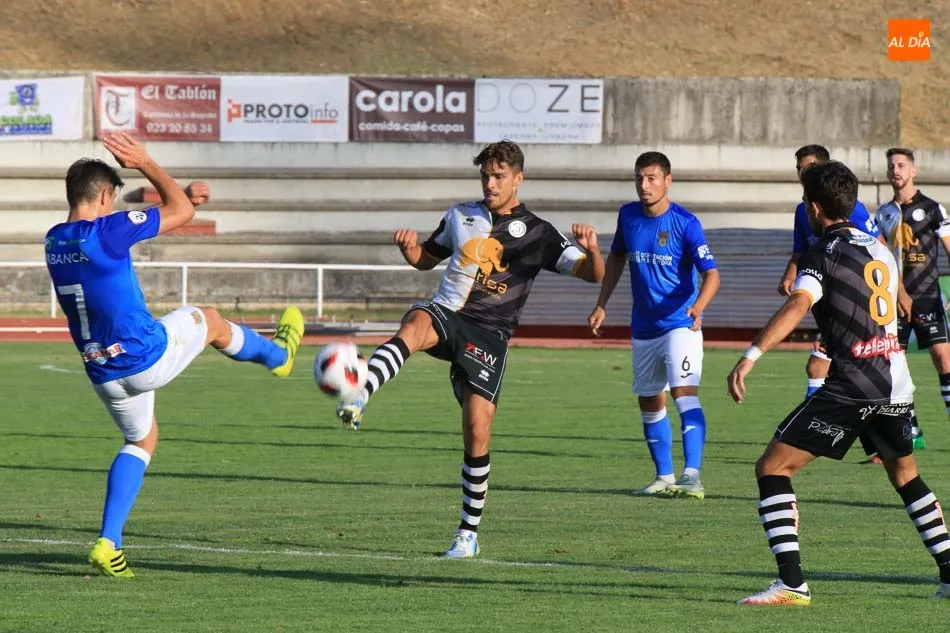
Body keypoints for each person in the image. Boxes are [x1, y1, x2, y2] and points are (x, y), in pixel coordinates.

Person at [45, 133, 305, 578]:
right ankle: (278, 356)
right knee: (212, 319)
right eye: (113, 200)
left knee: (140, 441)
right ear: (105, 196)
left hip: (102, 371)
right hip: (146, 355)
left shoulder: (53, 241)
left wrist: (182, 200)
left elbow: (168, 212)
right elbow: (179, 214)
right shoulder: (107, 230)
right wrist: (147, 162)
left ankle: (109, 542)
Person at [334, 139, 605, 558]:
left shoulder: (538, 233)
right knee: (418, 322)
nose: (490, 184)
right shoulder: (460, 215)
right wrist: (411, 252)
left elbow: (591, 275)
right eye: (485, 176)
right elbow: (428, 257)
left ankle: (467, 534)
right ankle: (361, 390)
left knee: (477, 430)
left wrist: (593, 251)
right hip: (449, 314)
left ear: (519, 178)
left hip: (491, 335)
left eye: (499, 177)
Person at [727, 160, 950, 605]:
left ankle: (792, 584)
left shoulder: (821, 253)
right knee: (907, 476)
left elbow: (798, 305)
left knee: (772, 468)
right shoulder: (879, 247)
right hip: (896, 383)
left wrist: (750, 355)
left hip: (851, 386)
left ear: (813, 207)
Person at [587, 151, 720, 499]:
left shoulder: (685, 223)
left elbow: (712, 274)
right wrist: (602, 303)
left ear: (667, 180)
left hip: (680, 324)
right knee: (649, 400)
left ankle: (692, 475)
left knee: (683, 393)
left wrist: (699, 306)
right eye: (639, 178)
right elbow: (616, 256)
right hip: (643, 326)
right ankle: (664, 476)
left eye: (651, 178)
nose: (644, 186)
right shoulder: (628, 215)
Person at [776, 145, 884, 402]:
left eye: (809, 168)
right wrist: (789, 274)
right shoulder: (803, 211)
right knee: (825, 367)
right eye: (799, 168)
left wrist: (896, 291)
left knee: (820, 366)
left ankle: (814, 423)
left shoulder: (849, 208)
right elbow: (800, 251)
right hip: (828, 297)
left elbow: (880, 248)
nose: (802, 173)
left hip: (853, 298)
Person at [872, 147, 950, 453]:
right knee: (896, 366)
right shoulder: (883, 213)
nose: (895, 170)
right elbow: (879, 257)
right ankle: (912, 429)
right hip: (894, 301)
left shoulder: (932, 208)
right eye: (891, 165)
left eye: (901, 165)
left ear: (913, 171)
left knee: (943, 358)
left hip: (928, 295)